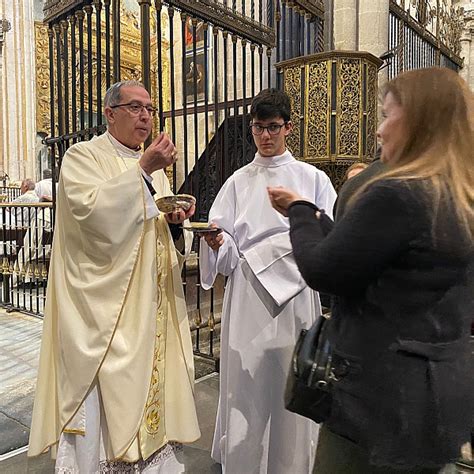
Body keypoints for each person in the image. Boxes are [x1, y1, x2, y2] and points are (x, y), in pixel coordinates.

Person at [268, 67, 474, 473]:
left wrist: (300, 211)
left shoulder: (400, 192)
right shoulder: (456, 196)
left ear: (418, 120)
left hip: (377, 396)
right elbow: (368, 257)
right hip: (434, 392)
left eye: (385, 114)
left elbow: (324, 270)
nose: (378, 130)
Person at [28, 80, 200, 473]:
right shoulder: (82, 157)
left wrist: (174, 224)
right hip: (104, 316)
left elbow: (154, 230)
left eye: (150, 109)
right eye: (135, 107)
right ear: (110, 113)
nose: (145, 116)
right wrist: (143, 169)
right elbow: (92, 218)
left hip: (148, 311)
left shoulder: (153, 170)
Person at [199, 88, 337, 473]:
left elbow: (328, 234)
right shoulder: (237, 182)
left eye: (273, 127)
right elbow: (224, 251)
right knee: (248, 383)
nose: (265, 135)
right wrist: (216, 242)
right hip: (249, 295)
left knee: (292, 382)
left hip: (296, 297)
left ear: (289, 127)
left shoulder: (312, 178)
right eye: (258, 128)